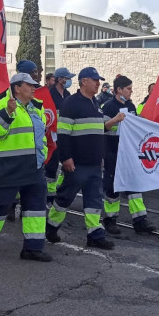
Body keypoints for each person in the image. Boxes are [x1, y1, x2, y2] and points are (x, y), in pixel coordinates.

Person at [0, 73, 52, 262]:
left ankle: (33, 248)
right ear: (17, 88)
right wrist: (7, 112)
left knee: (36, 209)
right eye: (29, 85)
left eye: (34, 85)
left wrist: (43, 156)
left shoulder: (36, 108)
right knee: (0, 207)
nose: (34, 88)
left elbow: (41, 136)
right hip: (8, 167)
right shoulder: (1, 105)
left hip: (33, 167)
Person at [46, 67, 115, 250]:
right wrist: (66, 158)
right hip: (77, 164)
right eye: (95, 80)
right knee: (64, 198)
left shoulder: (95, 103)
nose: (98, 84)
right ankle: (51, 227)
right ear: (84, 81)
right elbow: (63, 134)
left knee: (94, 201)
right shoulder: (71, 103)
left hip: (93, 164)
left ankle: (95, 235)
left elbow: (98, 131)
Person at [101, 75, 156, 235]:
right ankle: (110, 220)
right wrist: (116, 121)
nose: (131, 91)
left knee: (135, 186)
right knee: (113, 188)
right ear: (119, 90)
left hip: (130, 154)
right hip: (113, 152)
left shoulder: (131, 106)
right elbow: (103, 128)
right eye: (129, 89)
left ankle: (140, 221)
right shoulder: (108, 107)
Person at [44, 67, 74, 205]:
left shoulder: (67, 95)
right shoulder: (50, 94)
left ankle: (59, 190)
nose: (69, 81)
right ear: (60, 79)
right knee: (51, 166)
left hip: (66, 135)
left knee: (67, 163)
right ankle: (49, 197)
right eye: (67, 78)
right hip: (52, 135)